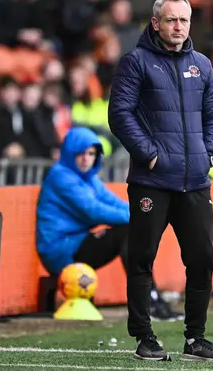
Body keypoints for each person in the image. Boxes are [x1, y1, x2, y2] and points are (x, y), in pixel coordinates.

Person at [108, 0, 213, 362]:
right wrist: (150, 154)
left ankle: (196, 340)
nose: (178, 27)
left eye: (184, 20)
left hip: (195, 181)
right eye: (172, 20)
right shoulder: (136, 62)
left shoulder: (203, 65)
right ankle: (144, 337)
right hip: (152, 182)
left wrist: (210, 151)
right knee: (142, 258)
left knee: (202, 258)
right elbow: (120, 114)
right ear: (156, 22)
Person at [35, 126, 182, 321]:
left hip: (76, 242)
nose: (86, 158)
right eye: (80, 153)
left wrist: (144, 214)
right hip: (60, 250)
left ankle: (150, 298)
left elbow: (112, 202)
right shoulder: (61, 176)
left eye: (91, 153)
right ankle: (147, 301)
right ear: (70, 153)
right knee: (128, 232)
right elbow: (94, 210)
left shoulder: (87, 178)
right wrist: (140, 218)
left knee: (131, 231)